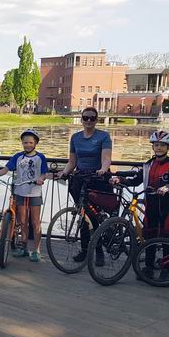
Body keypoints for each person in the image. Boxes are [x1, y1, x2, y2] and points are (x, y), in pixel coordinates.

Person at [111, 130, 169, 275]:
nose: (159, 148)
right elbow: (136, 180)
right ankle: (148, 267)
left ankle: (166, 268)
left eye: (162, 145)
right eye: (156, 145)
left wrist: (168, 187)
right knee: (149, 235)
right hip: (151, 204)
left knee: (165, 237)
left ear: (168, 147)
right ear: (153, 147)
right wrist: (120, 179)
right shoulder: (148, 165)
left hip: (166, 206)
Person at [55, 107, 113, 265]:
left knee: (96, 218)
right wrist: (64, 172)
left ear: (96, 120)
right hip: (80, 179)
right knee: (83, 217)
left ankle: (99, 251)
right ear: (81, 119)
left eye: (92, 118)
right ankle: (85, 250)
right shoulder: (75, 138)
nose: (88, 121)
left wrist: (103, 169)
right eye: (85, 118)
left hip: (97, 179)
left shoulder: (103, 136)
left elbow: (106, 157)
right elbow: (72, 161)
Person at [0, 129, 48, 262]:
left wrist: (41, 178)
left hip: (34, 193)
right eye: (25, 142)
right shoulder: (18, 157)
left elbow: (44, 172)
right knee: (23, 222)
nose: (27, 145)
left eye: (30, 142)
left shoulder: (40, 157)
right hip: (20, 192)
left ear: (35, 143)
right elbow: (6, 169)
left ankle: (36, 250)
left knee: (35, 222)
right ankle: (24, 246)